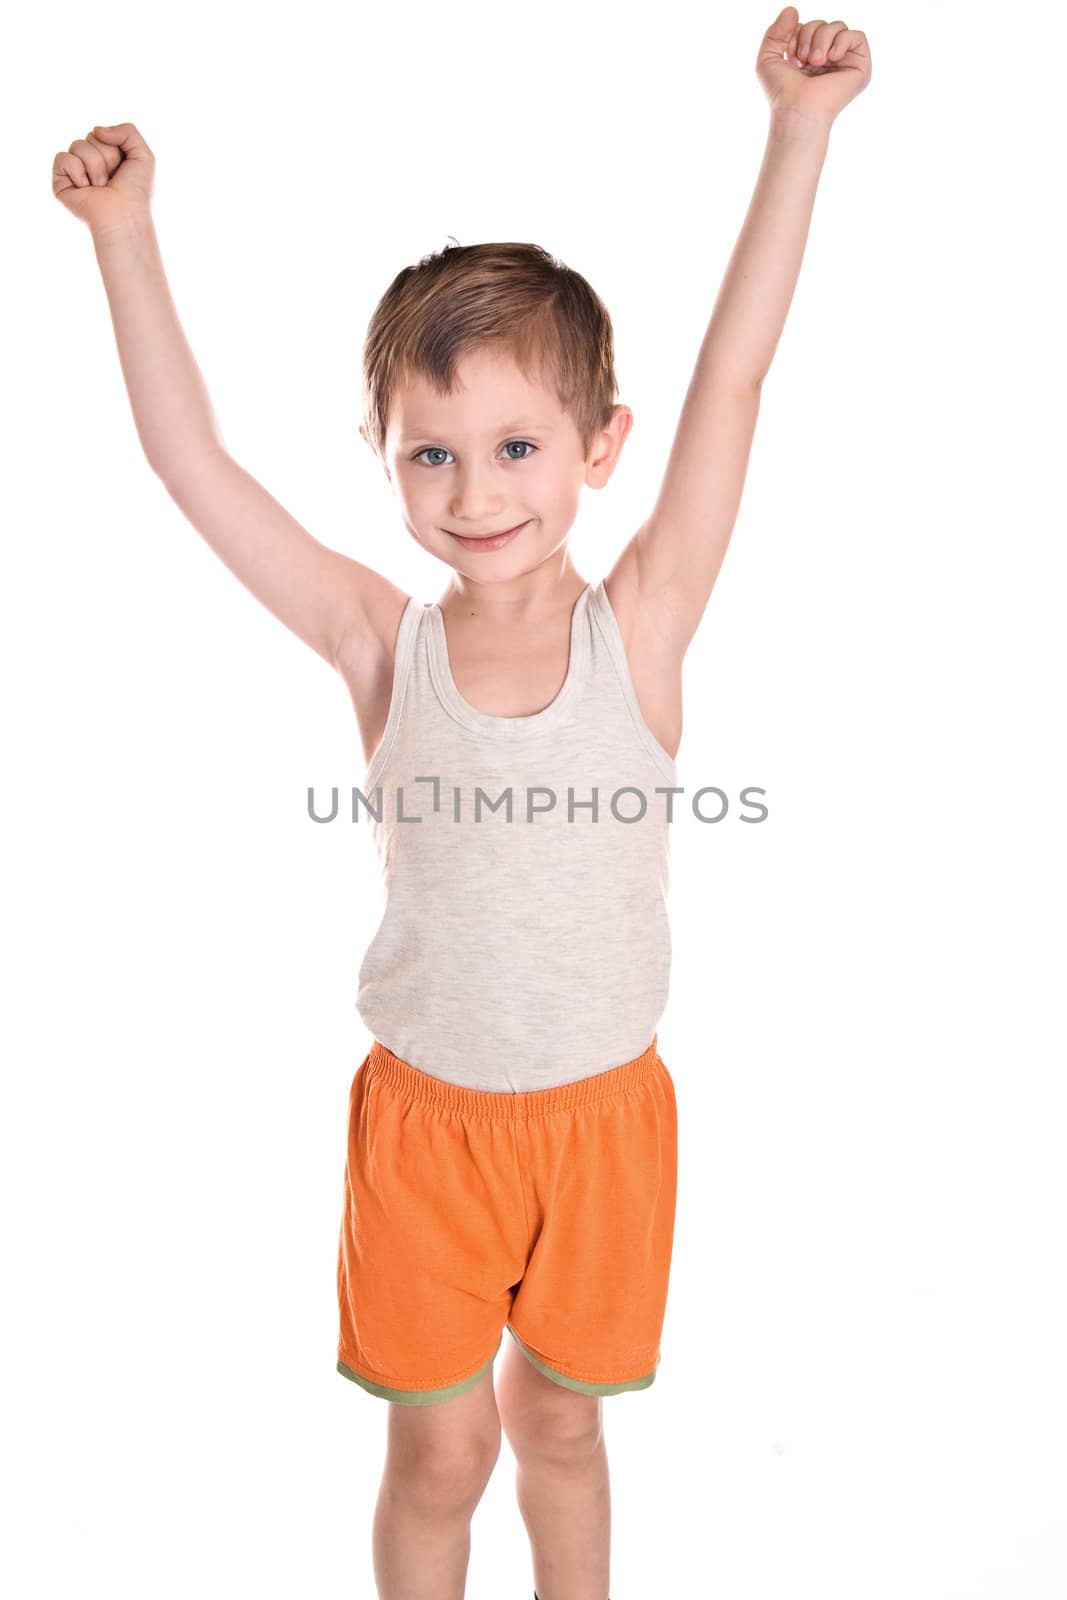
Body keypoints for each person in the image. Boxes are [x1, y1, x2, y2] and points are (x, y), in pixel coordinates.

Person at [52, 10, 871, 1597]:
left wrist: (798, 133)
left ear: (598, 448)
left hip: (603, 1126)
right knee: (440, 1451)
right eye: (432, 455)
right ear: (386, 458)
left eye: (514, 446)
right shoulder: (381, 642)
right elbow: (192, 467)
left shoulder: (642, 625)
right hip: (426, 1134)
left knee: (560, 1430)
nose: (476, 492)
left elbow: (737, 379)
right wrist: (128, 238)